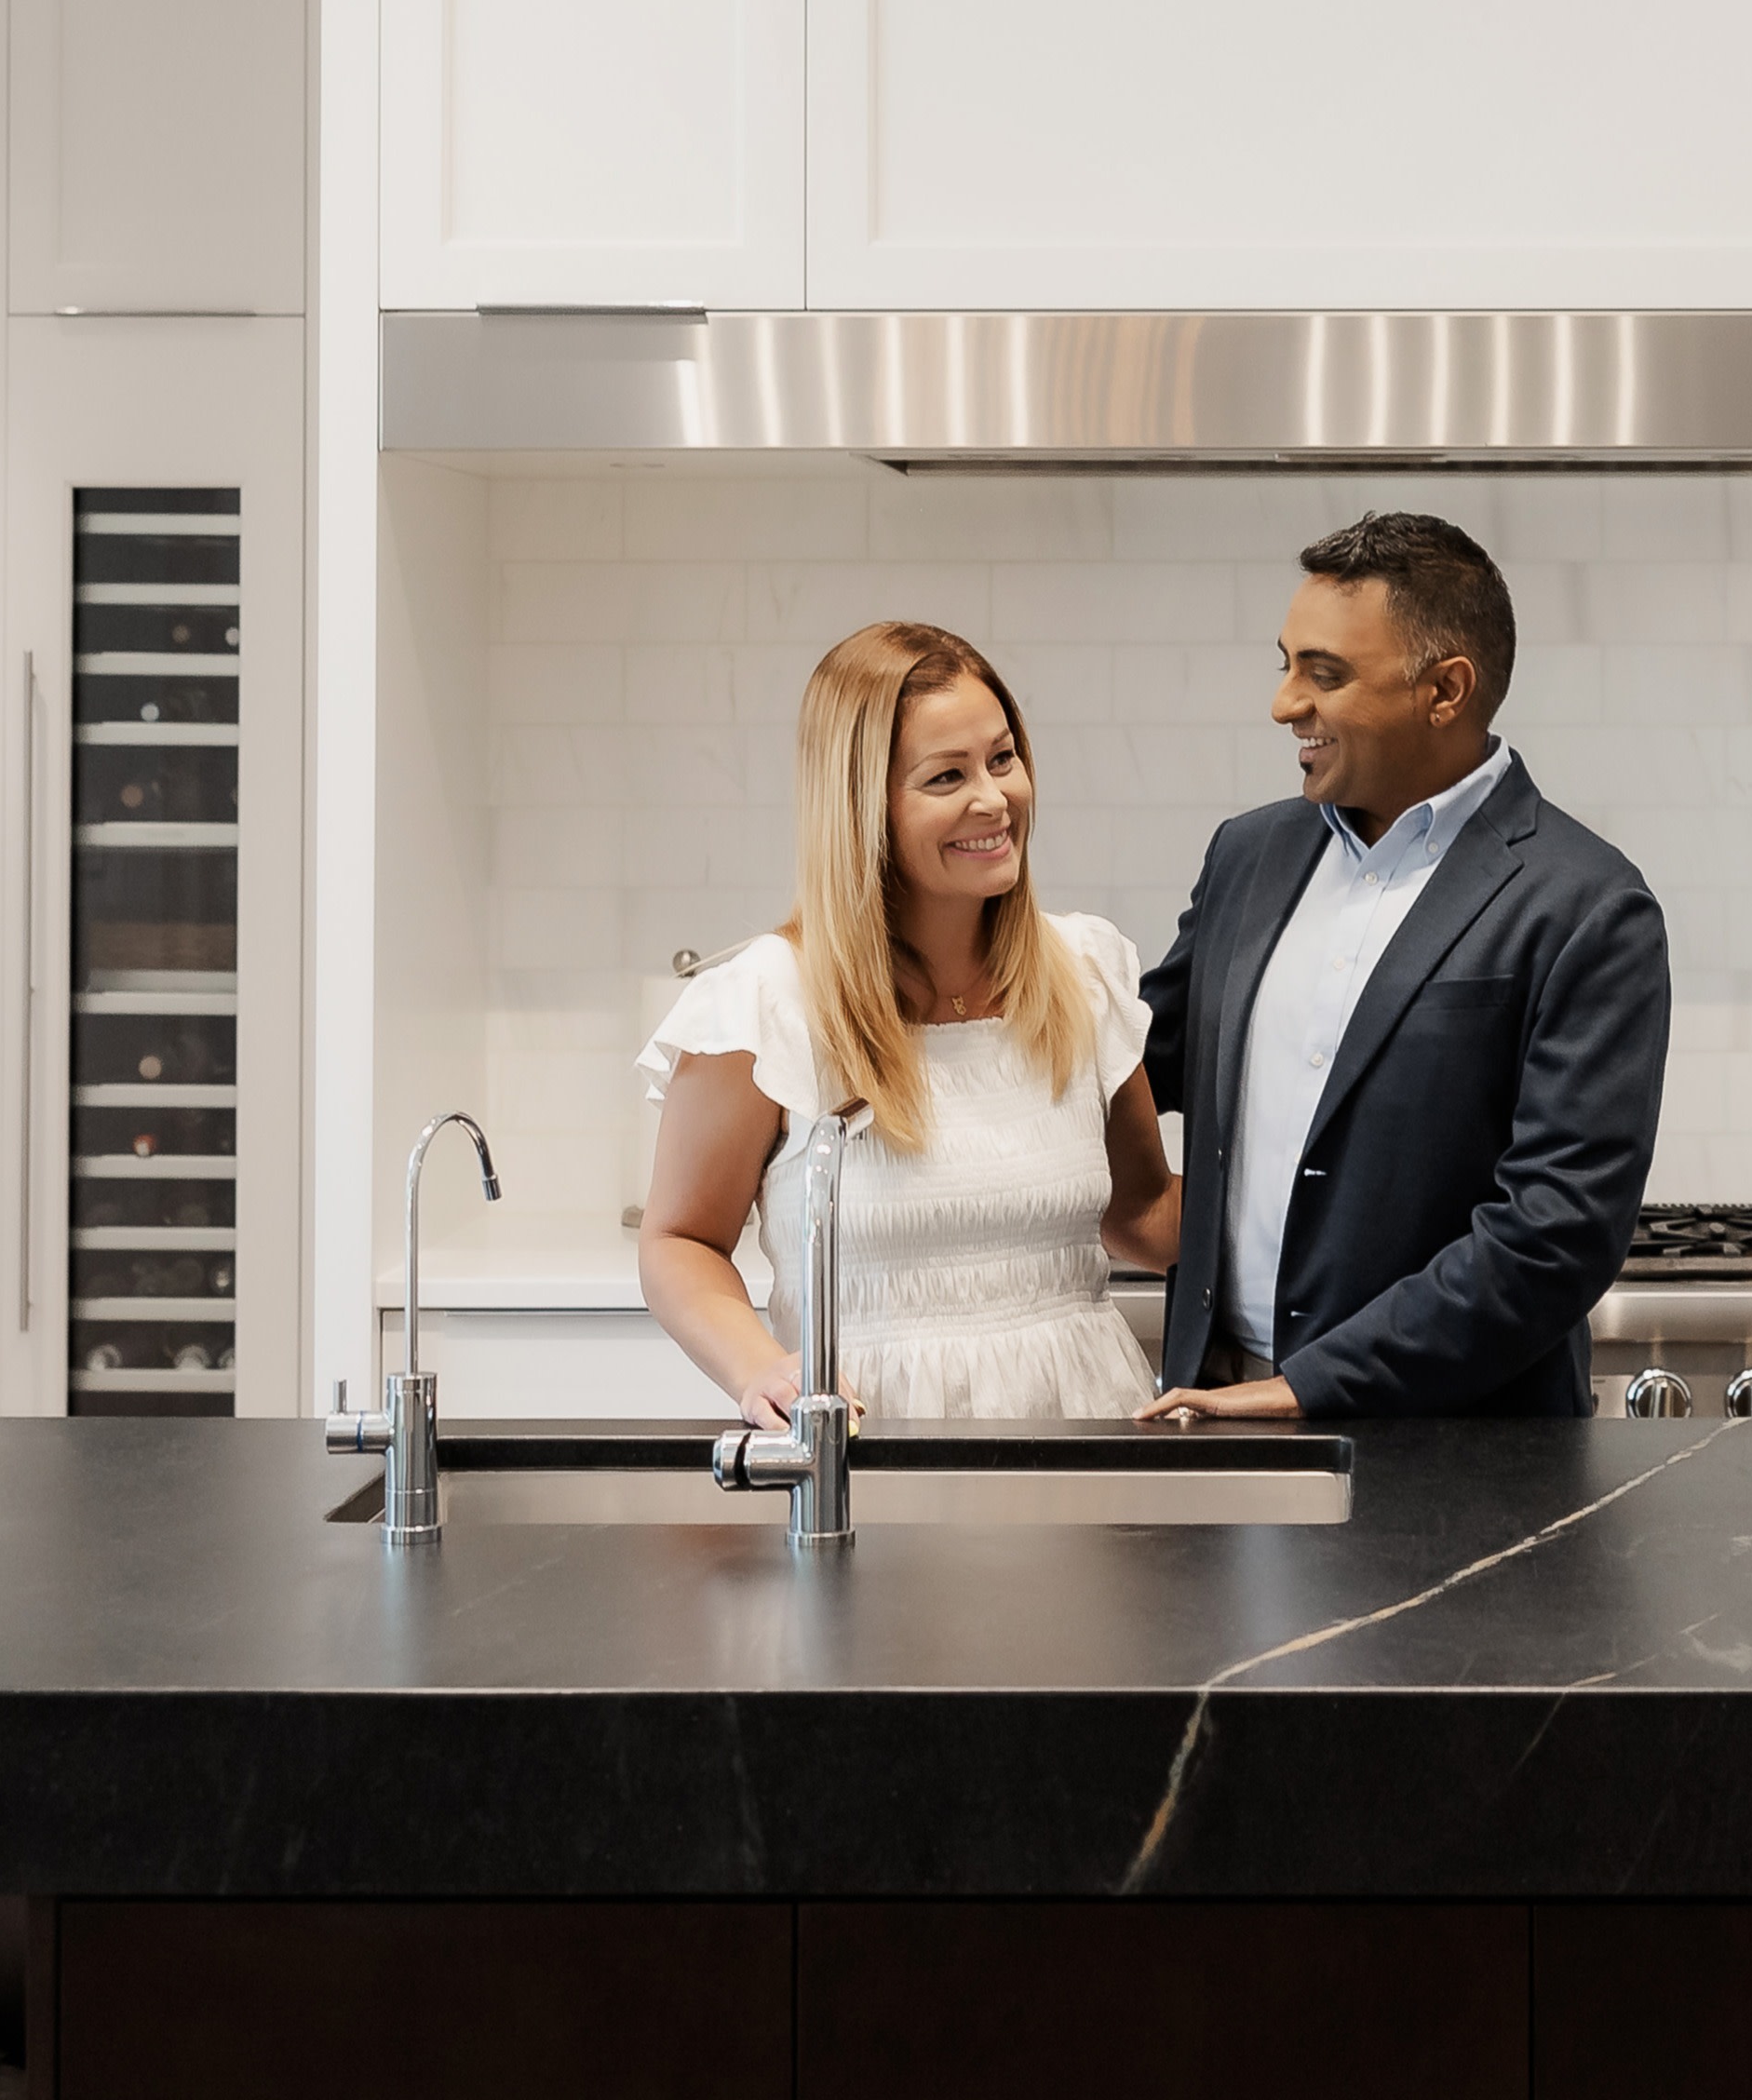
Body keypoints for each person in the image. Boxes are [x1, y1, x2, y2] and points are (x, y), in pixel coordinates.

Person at [1134, 510, 1670, 1420]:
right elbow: (1133, 1065)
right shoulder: (1247, 855)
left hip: (1457, 1457)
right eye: (1286, 661)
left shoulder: (1588, 906)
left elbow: (1554, 1238)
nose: (1284, 703)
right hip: (1213, 1413)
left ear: (1445, 689)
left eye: (1325, 673)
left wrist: (1304, 1388)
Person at [635, 620, 1180, 1421]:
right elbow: (679, 1241)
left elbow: (1139, 1212)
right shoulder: (768, 1002)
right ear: (864, 809)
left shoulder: (1081, 969)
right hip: (874, 1458)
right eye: (946, 776)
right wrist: (763, 1371)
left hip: (1089, 1451)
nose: (994, 798)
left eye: (1003, 758)